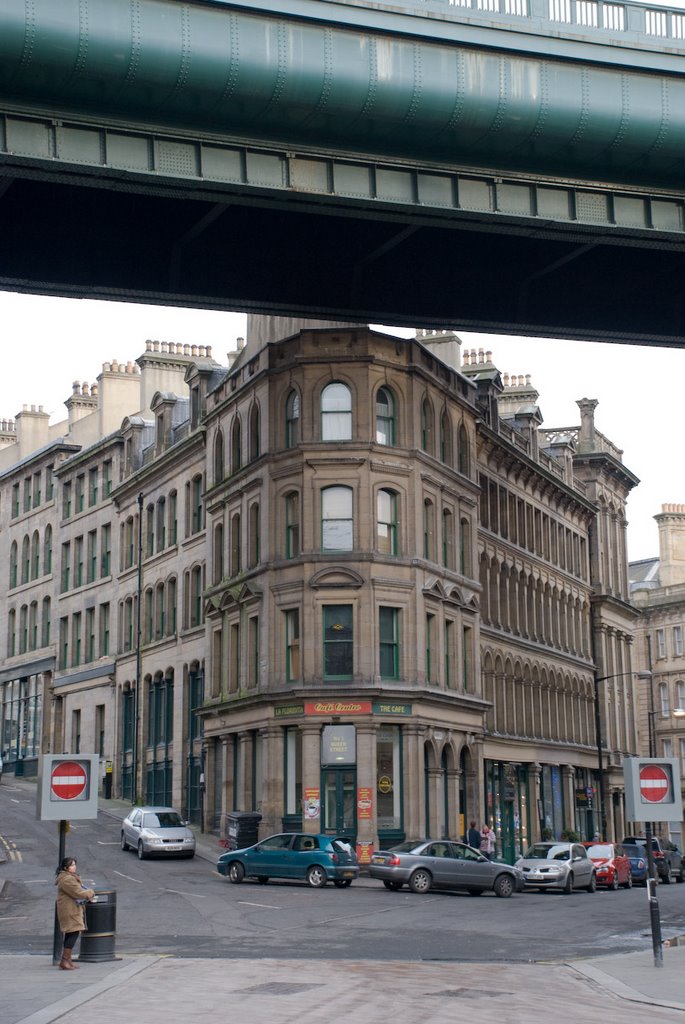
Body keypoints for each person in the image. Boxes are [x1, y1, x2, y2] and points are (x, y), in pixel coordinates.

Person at [54, 857, 94, 970]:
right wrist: (91, 892)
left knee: (71, 933)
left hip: (72, 908)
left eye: (75, 864)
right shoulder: (67, 879)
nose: (74, 867)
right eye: (71, 865)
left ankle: (67, 960)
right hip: (69, 910)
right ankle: (65, 960)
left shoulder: (69, 877)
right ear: (65, 868)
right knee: (74, 932)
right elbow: (79, 893)